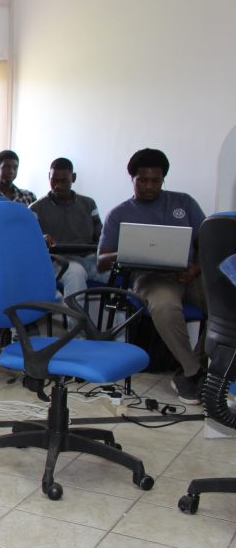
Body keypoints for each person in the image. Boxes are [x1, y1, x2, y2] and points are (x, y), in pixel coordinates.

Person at [97, 148, 207, 403]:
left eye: (155, 180)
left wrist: (196, 268)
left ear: (163, 179)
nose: (148, 186)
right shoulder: (120, 214)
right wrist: (127, 250)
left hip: (189, 274)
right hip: (150, 278)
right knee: (165, 305)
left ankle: (201, 363)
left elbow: (207, 241)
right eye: (142, 180)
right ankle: (193, 372)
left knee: (225, 303)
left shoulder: (184, 203)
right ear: (132, 179)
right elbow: (101, 261)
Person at [30, 158, 107, 310]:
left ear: (74, 178)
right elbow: (29, 243)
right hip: (57, 261)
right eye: (54, 180)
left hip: (88, 257)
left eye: (63, 180)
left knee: (119, 275)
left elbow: (100, 236)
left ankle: (119, 331)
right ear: (49, 178)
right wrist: (42, 239)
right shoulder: (36, 208)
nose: (58, 185)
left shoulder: (88, 204)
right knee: (75, 273)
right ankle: (77, 332)